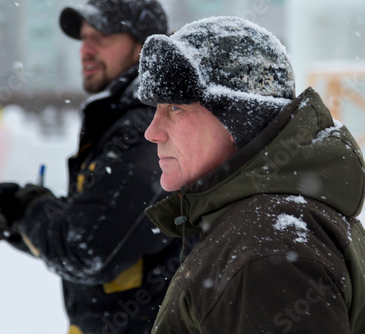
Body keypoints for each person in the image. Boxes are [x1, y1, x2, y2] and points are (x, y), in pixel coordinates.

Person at [137, 16, 365, 334]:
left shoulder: (266, 251)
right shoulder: (262, 226)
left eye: (175, 108)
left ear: (239, 120)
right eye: (156, 109)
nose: (152, 132)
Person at [0, 1, 182, 333]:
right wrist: (15, 220)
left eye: (102, 36)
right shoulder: (119, 117)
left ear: (143, 47)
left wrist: (28, 209)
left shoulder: (145, 127)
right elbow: (97, 229)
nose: (86, 49)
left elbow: (87, 249)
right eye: (84, 38)